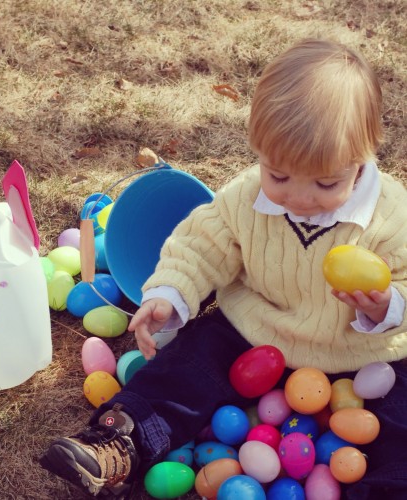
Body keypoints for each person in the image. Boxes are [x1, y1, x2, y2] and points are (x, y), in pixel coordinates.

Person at [39, 38, 407, 499]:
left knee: (399, 416)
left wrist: (387, 307)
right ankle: (120, 442)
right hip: (256, 331)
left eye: (325, 183)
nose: (298, 198)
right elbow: (200, 245)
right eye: (278, 175)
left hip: (362, 352)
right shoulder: (246, 196)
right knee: (193, 361)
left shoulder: (393, 215)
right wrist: (169, 293)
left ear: (363, 158)